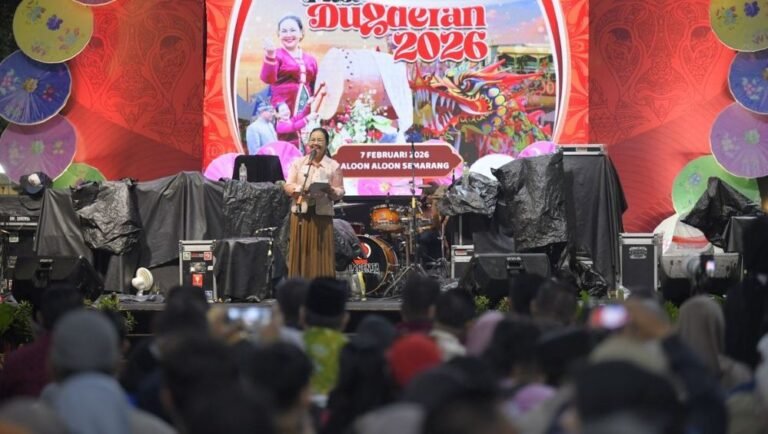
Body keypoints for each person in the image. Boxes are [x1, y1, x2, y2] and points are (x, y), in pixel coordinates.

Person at [284, 127, 344, 279]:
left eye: (319, 140)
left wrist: (331, 190)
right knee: (301, 251)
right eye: (312, 139)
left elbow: (340, 192)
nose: (315, 143)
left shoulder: (333, 165)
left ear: (326, 144)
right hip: (300, 214)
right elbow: (287, 186)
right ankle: (299, 288)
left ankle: (322, 288)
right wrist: (299, 189)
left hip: (322, 215)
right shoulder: (299, 163)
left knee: (321, 251)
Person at [261, 15, 318, 117]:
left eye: (292, 30)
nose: (288, 34)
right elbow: (268, 79)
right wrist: (270, 55)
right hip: (283, 110)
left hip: (307, 110)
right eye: (284, 31)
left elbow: (315, 86)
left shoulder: (311, 60)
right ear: (279, 34)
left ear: (301, 33)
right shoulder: (276, 55)